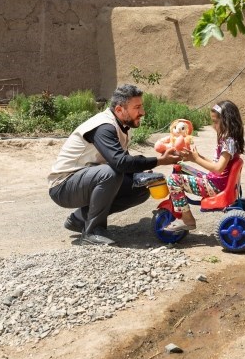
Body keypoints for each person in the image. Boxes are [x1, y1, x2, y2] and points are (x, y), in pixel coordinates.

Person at [48, 84, 182, 246]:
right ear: (119, 110)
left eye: (141, 106)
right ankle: (92, 232)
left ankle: (80, 219)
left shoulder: (123, 125)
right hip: (63, 186)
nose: (142, 112)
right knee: (110, 173)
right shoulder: (103, 127)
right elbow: (120, 163)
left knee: (140, 189)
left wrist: (144, 174)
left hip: (85, 180)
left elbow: (126, 162)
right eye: (137, 107)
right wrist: (160, 161)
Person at [164, 100, 245, 232]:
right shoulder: (229, 139)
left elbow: (218, 169)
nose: (213, 126)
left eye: (215, 122)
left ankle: (187, 219)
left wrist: (196, 159)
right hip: (216, 181)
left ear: (227, 121)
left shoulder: (228, 142)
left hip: (215, 186)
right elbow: (216, 164)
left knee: (174, 180)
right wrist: (196, 157)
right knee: (182, 167)